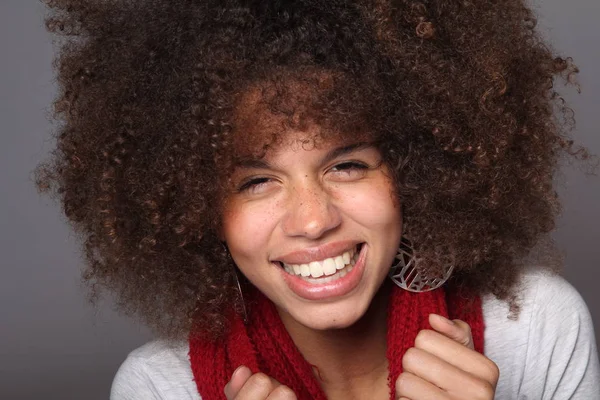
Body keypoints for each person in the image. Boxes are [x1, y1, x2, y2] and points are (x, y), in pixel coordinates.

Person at [37, 0, 600, 399]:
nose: (313, 220)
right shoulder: (159, 388)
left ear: (416, 172)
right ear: (195, 208)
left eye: (347, 165)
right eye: (256, 181)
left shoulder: (537, 328)